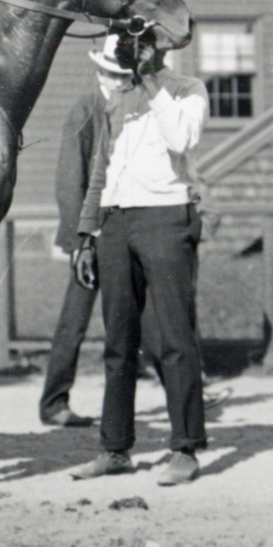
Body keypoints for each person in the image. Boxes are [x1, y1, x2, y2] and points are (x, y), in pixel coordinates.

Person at [70, 34, 209, 487]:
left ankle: (185, 449)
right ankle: (115, 448)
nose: (122, 67)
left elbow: (181, 137)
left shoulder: (188, 90)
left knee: (173, 337)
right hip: (115, 221)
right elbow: (101, 167)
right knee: (118, 341)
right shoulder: (117, 99)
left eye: (132, 54)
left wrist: (150, 80)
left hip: (166, 217)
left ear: (157, 50)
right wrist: (86, 233)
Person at [38, 35, 134, 428]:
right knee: (74, 320)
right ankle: (54, 402)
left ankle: (186, 391)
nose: (116, 81)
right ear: (98, 71)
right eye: (110, 74)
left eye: (122, 75)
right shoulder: (85, 109)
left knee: (147, 314)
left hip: (125, 225)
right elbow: (69, 180)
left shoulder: (128, 107)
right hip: (90, 235)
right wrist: (81, 239)